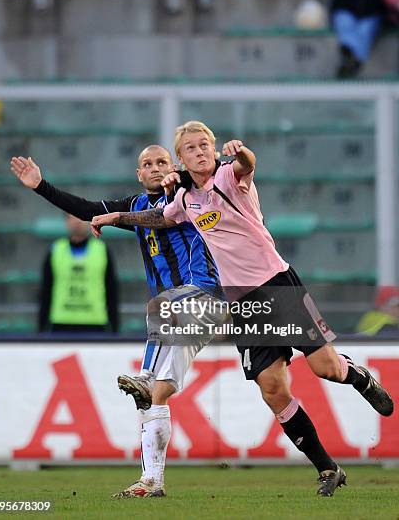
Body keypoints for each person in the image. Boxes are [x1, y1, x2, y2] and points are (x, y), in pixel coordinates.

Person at [91, 121, 394, 497]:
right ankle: (328, 469)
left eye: (204, 145)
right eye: (190, 148)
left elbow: (247, 164)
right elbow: (162, 218)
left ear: (214, 149)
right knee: (272, 390)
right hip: (241, 302)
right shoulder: (186, 199)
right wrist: (116, 217)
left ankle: (359, 377)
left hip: (277, 286)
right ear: (181, 158)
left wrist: (242, 152)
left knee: (325, 369)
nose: (199, 151)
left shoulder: (229, 176)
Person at [11, 147, 224, 498]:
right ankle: (151, 480)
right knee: (152, 397)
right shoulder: (136, 204)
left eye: (161, 162)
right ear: (138, 174)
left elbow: (189, 195)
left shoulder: (188, 196)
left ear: (173, 167)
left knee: (160, 314)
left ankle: (145, 379)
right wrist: (40, 186)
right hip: (171, 318)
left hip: (198, 300)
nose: (155, 169)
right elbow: (87, 209)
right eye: (147, 164)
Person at [39, 212, 119, 334]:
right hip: (61, 322)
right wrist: (41, 327)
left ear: (90, 221)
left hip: (95, 323)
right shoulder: (55, 249)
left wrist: (115, 327)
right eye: (72, 218)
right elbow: (46, 289)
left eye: (81, 217)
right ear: (66, 222)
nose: (77, 222)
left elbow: (111, 290)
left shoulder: (102, 250)